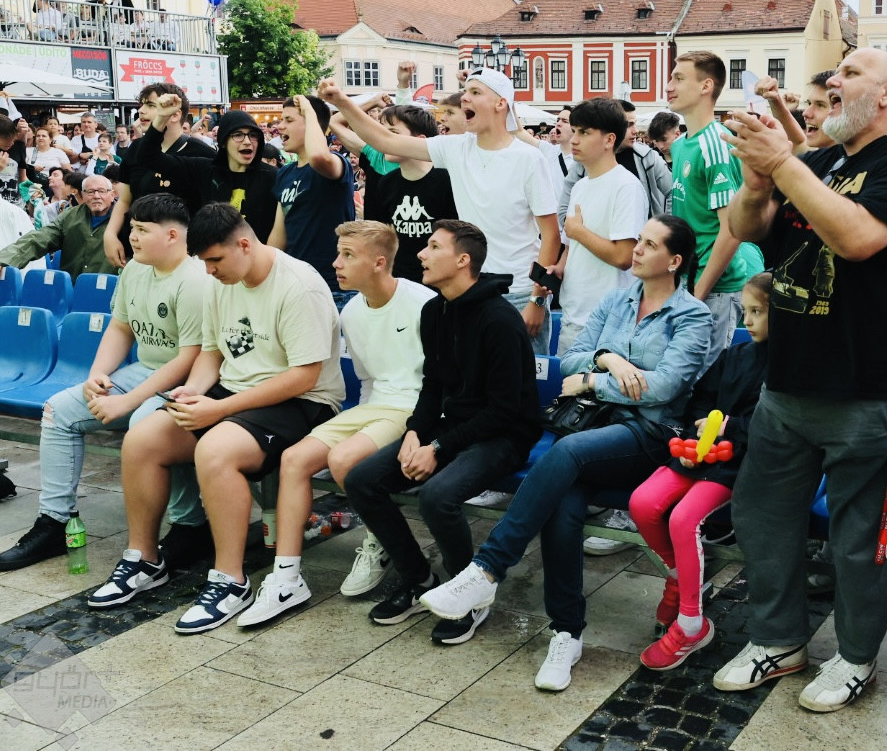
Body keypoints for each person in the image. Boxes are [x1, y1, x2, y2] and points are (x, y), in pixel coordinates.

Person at [715, 47, 887, 713]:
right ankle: (778, 640)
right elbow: (748, 230)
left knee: (861, 538)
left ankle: (855, 656)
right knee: (762, 518)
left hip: (876, 386)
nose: (831, 82)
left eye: (849, 74)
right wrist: (757, 180)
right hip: (791, 379)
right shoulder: (820, 164)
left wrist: (783, 162)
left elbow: (857, 239)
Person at [417, 215, 711, 689]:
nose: (637, 249)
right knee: (563, 509)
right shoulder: (616, 301)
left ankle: (487, 568)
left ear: (674, 261)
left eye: (650, 244)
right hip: (592, 427)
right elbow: (569, 360)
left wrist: (593, 381)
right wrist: (607, 360)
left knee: (568, 452)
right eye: (638, 240)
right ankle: (567, 633)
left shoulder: (692, 316)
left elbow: (663, 388)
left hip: (650, 435)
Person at [89, 203, 343, 633]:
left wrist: (220, 408)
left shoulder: (299, 286)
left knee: (214, 451)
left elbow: (305, 376)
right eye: (203, 261)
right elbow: (211, 351)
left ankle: (230, 580)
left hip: (300, 400)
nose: (208, 271)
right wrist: (195, 390)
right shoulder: (220, 281)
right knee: (143, 440)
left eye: (214, 260)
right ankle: (145, 559)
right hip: (235, 390)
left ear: (244, 244)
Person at [341, 219, 541, 643]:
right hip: (453, 428)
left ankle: (468, 594)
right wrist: (415, 433)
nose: (421, 253)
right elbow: (433, 383)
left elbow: (505, 410)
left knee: (437, 496)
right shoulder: (435, 310)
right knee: (362, 480)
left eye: (434, 247)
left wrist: (437, 445)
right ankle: (418, 579)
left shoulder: (500, 320)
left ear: (463, 260)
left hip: (505, 435)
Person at [241, 221, 435, 627]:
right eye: (338, 253)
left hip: (414, 408)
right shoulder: (351, 310)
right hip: (374, 406)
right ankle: (286, 578)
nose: (336, 263)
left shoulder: (423, 302)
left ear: (379, 262)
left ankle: (379, 541)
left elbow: (441, 380)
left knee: (345, 460)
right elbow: (368, 380)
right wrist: (360, 425)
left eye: (348, 255)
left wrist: (422, 431)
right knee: (294, 460)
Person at [0, 195, 209, 572]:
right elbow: (121, 328)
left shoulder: (194, 280)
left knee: (149, 424)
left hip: (188, 380)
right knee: (59, 410)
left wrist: (127, 402)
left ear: (173, 236)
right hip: (144, 371)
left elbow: (188, 358)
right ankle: (55, 523)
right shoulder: (136, 269)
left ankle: (190, 525)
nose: (132, 237)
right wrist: (97, 375)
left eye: (142, 230)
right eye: (132, 229)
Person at [321, 71, 561, 353]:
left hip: (518, 292)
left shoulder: (529, 158)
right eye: (465, 91)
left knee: (523, 376)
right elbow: (386, 141)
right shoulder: (455, 148)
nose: (465, 98)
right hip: (468, 288)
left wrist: (537, 299)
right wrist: (342, 102)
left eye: (475, 92)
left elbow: (550, 235)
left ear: (501, 103)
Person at [631, 271, 772, 670]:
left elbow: (774, 428)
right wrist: (695, 437)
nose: (747, 321)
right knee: (642, 503)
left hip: (738, 465)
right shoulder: (735, 355)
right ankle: (682, 576)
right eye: (745, 311)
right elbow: (701, 398)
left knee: (684, 518)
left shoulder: (789, 368)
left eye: (758, 312)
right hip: (700, 454)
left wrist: (731, 429)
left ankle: (691, 622)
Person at [666, 51, 764, 372]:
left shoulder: (717, 145)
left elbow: (732, 230)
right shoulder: (680, 144)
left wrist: (697, 294)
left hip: (715, 289)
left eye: (679, 78)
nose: (669, 86)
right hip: (688, 283)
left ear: (706, 86)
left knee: (704, 381)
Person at [131, 93, 285, 246]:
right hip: (211, 258)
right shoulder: (205, 170)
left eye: (253, 135)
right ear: (223, 141)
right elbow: (148, 157)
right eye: (238, 135)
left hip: (257, 258)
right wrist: (161, 118)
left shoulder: (273, 176)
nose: (247, 142)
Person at [554, 98, 645, 352]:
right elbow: (571, 246)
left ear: (609, 140)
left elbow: (624, 256)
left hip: (607, 325)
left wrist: (579, 232)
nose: (574, 139)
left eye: (584, 132)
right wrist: (558, 269)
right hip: (573, 315)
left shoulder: (626, 186)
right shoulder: (580, 186)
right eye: (575, 131)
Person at [330, 103, 457, 284]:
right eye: (382, 133)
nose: (383, 140)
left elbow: (457, 238)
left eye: (393, 133)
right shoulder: (387, 183)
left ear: (420, 140)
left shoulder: (446, 180)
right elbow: (384, 238)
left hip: (439, 282)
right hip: (397, 281)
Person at [105, 84, 217, 267]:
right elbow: (124, 200)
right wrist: (110, 234)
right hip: (136, 252)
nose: (141, 110)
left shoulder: (203, 155)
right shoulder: (136, 149)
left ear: (175, 114)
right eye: (141, 104)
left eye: (151, 105)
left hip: (184, 257)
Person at [274, 95, 355, 308]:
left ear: (313, 125)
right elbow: (279, 235)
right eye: (281, 120)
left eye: (289, 120)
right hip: (297, 285)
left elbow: (318, 157)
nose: (280, 127)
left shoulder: (338, 162)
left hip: (334, 289)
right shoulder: (285, 173)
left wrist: (309, 110)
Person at [559, 99, 673, 221]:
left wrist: (665, 227)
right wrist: (576, 227)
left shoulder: (646, 158)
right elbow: (564, 209)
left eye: (584, 132)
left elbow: (673, 192)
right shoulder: (583, 163)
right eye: (629, 125)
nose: (635, 131)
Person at [0, 173, 121, 279]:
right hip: (72, 289)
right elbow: (39, 239)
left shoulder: (124, 220)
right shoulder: (70, 216)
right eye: (90, 192)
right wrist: (3, 259)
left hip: (111, 290)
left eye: (102, 191)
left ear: (112, 194)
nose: (96, 196)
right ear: (82, 195)